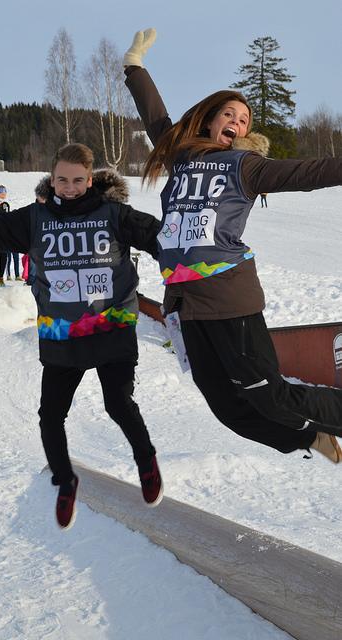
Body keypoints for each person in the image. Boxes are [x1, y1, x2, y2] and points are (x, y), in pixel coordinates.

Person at [123, 28, 342, 465]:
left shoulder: (246, 167)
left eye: (244, 120)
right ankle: (306, 440)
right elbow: (157, 121)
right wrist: (134, 67)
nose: (237, 123)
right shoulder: (181, 156)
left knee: (268, 393)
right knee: (225, 406)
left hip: (228, 294)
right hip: (185, 301)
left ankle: (321, 422)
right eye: (230, 114)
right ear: (209, 120)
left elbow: (309, 172)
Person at [0, 142, 163, 530]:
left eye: (77, 181)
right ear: (51, 178)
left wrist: (183, 277)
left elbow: (158, 238)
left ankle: (146, 462)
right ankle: (65, 481)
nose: (68, 187)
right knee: (50, 417)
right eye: (61, 180)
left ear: (90, 180)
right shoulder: (35, 219)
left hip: (111, 327)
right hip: (62, 335)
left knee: (118, 403)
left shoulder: (114, 215)